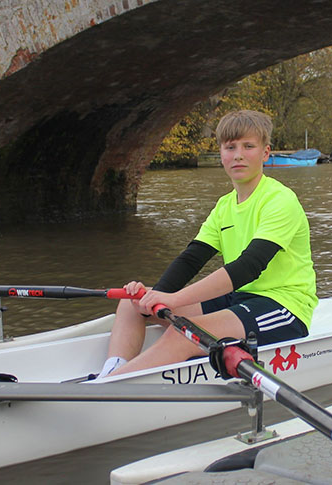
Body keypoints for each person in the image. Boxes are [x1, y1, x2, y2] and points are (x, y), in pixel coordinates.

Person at [97, 110, 317, 378]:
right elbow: (192, 259)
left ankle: (106, 388)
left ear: (265, 153)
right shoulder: (224, 206)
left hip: (283, 306)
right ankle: (112, 372)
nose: (238, 155)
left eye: (248, 146)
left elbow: (248, 267)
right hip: (239, 297)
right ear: (221, 154)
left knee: (182, 334)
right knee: (132, 303)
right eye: (230, 147)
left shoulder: (280, 200)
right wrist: (156, 296)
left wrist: (175, 298)